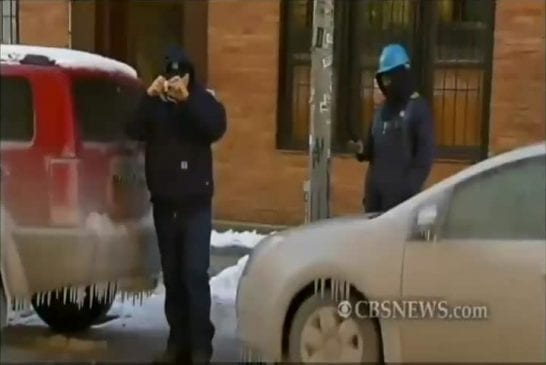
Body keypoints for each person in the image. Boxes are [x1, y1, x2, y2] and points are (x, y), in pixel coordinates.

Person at [126, 46, 227, 364]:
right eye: (170, 76)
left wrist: (188, 100)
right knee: (173, 277)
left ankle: (200, 346)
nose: (175, 82)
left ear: (190, 76)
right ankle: (177, 342)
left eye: (181, 75)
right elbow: (132, 129)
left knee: (195, 275)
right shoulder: (155, 105)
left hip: (195, 204)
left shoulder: (202, 101)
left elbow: (215, 127)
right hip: (165, 202)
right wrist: (148, 97)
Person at [348, 44, 435, 213]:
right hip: (374, 203)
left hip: (401, 207)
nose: (386, 84)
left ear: (401, 76)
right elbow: (370, 149)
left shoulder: (417, 109)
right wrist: (360, 149)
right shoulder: (381, 111)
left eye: (389, 79)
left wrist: (405, 191)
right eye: (383, 79)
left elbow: (424, 159)